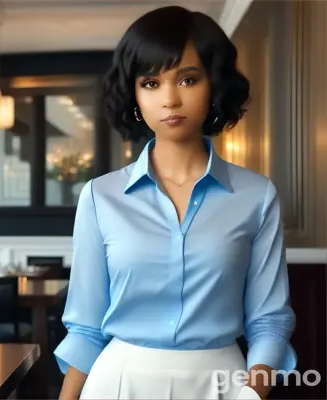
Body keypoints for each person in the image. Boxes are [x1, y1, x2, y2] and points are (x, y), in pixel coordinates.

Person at [55, 6, 296, 400]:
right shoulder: (101, 197)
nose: (170, 99)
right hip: (118, 382)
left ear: (213, 85)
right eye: (151, 83)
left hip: (222, 383)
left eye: (187, 79)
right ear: (134, 94)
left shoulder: (257, 196)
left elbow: (269, 321)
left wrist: (252, 395)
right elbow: (85, 326)